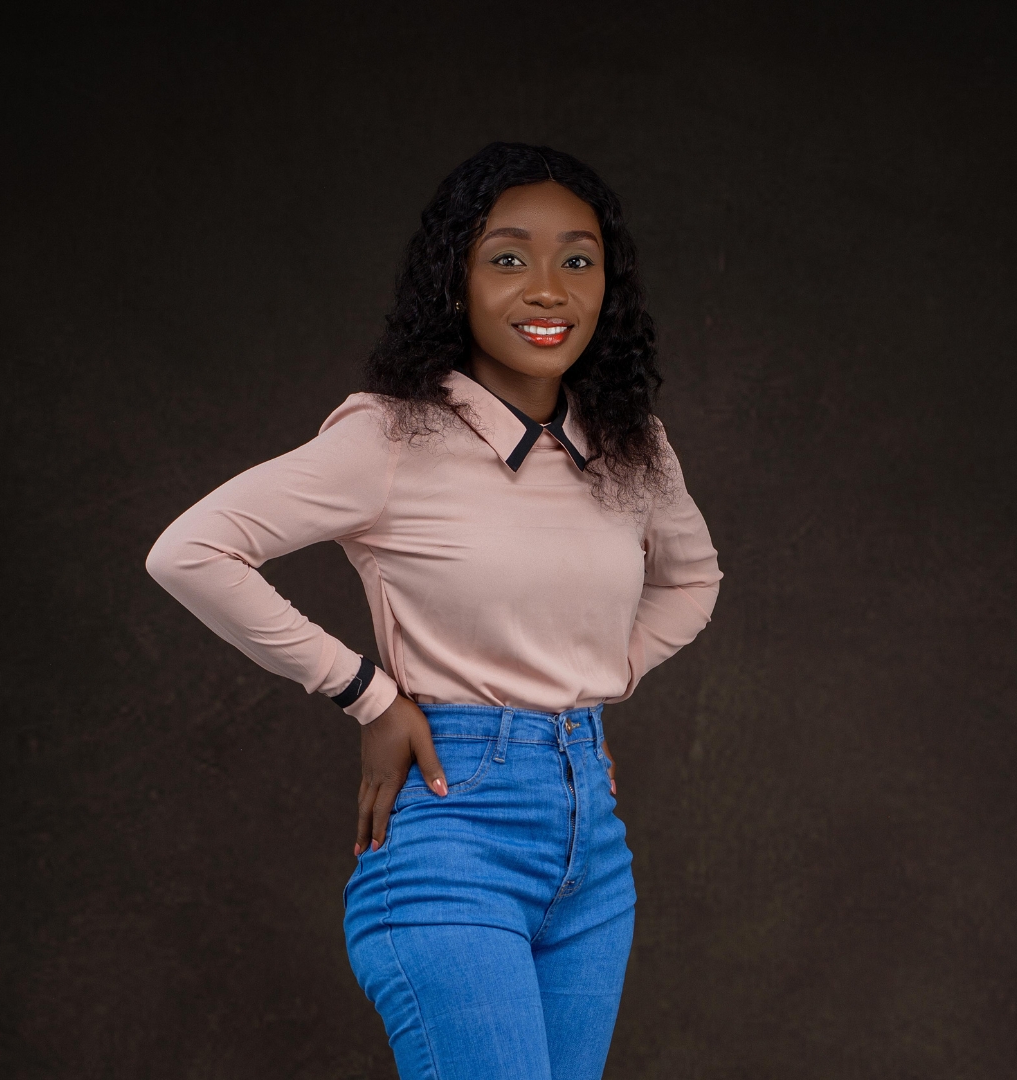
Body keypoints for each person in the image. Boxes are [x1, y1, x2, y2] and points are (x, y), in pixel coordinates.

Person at [146, 141, 722, 1080]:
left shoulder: (631, 445)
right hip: (454, 834)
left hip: (592, 857)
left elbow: (693, 581)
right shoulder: (390, 436)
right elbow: (191, 550)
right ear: (455, 279)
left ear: (608, 287)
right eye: (508, 258)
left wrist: (599, 682)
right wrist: (368, 694)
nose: (548, 289)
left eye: (578, 260)